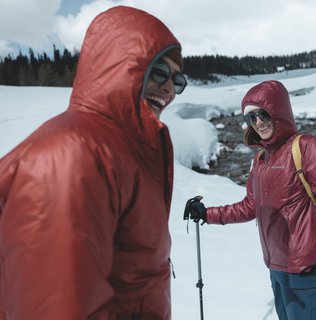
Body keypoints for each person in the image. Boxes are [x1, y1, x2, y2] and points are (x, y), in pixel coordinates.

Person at [0, 6, 187, 319]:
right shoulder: (72, 155)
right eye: (158, 72)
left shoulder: (120, 149)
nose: (169, 88)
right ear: (120, 66)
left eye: (177, 81)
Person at [186, 80, 316, 319]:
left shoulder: (306, 147)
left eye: (263, 114)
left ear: (279, 111)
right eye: (251, 118)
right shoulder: (261, 159)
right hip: (275, 266)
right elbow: (249, 206)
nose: (258, 123)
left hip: (304, 267)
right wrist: (207, 214)